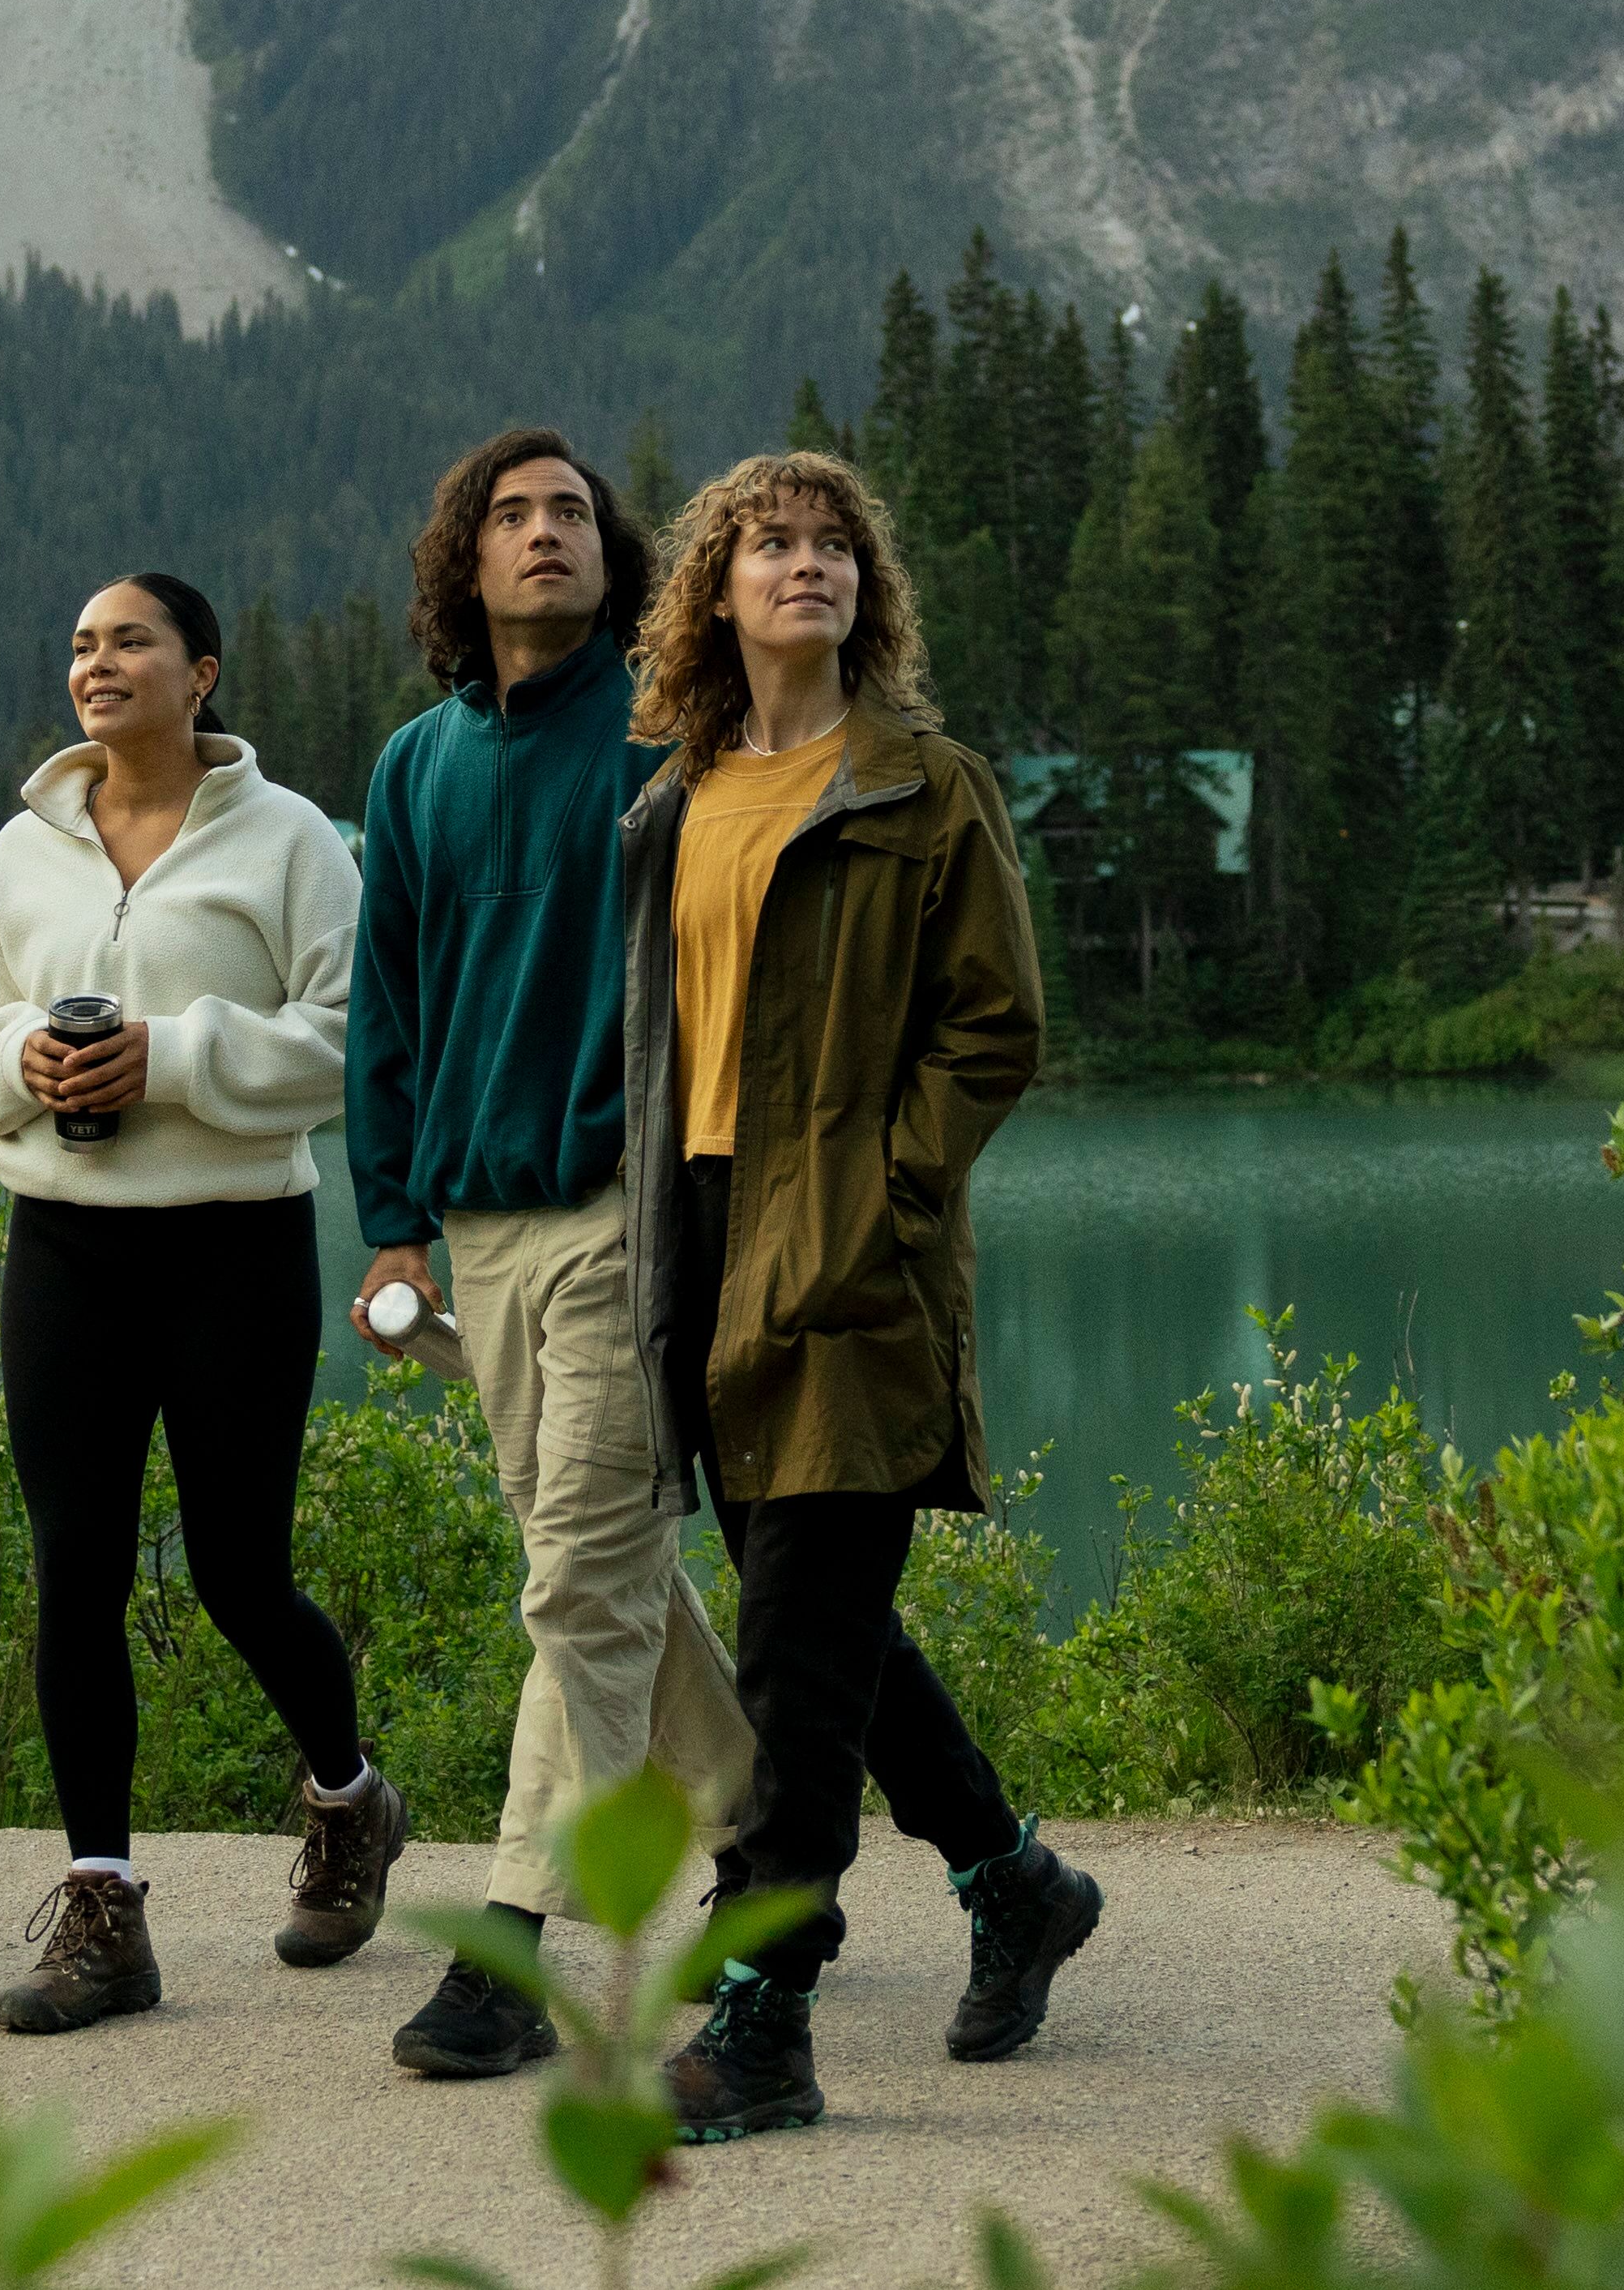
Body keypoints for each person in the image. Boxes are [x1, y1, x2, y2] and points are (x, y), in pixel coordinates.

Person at [614, 447, 1097, 2143]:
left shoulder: (921, 786)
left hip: (851, 1246)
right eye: (767, 544)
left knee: (787, 1665)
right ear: (716, 591)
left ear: (861, 592)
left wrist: (891, 1194)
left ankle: (765, 2014)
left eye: (829, 546)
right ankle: (1008, 1878)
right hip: (696, 1237)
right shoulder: (667, 802)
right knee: (811, 1620)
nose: (801, 565)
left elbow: (994, 1029)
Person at [0, 572, 407, 2032]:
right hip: (64, 1247)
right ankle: (105, 1913)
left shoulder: (293, 839)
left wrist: (175, 1055)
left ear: (203, 671)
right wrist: (30, 1056)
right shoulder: (26, 847)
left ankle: (349, 1795)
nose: (98, 661)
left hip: (236, 1246)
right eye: (79, 641)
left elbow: (352, 1033)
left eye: (129, 639)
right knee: (72, 1564)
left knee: (236, 1571)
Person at [342, 429, 761, 2082]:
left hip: (623, 1212)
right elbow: (385, 1003)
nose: (544, 537)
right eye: (511, 516)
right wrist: (386, 1221)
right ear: (465, 560)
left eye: (571, 515)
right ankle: (769, 1854)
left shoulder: (669, 739)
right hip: (474, 1227)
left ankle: (507, 1948)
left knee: (577, 1579)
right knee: (611, 1576)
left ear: (612, 557)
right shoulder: (409, 765)